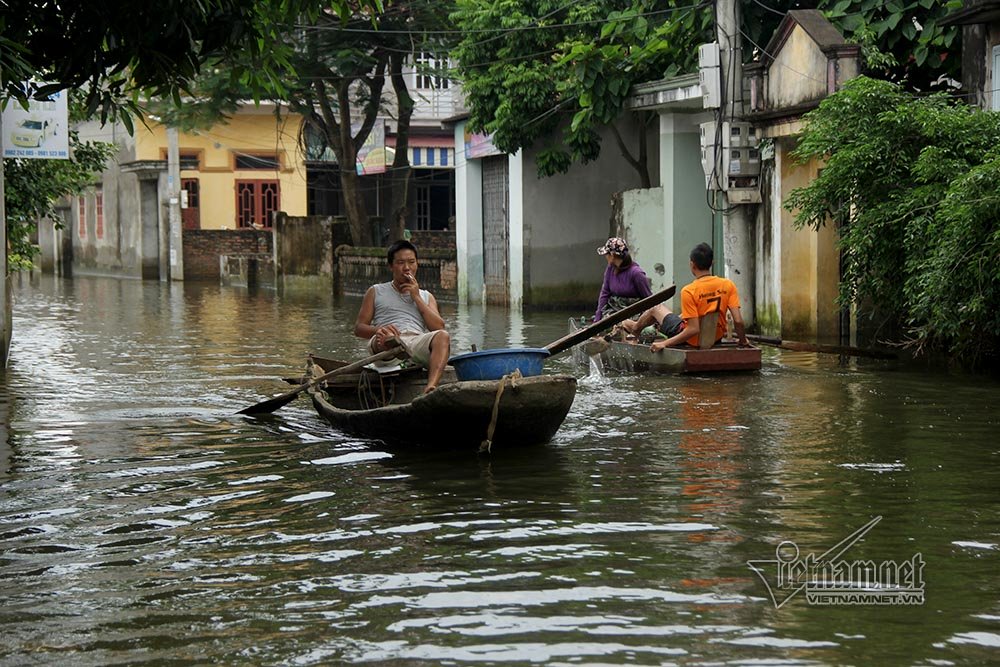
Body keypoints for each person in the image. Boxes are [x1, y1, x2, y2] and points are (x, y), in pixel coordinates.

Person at [354, 240, 451, 393]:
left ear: (417, 264)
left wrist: (416, 297)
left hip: (414, 343)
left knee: (443, 336)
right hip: (384, 341)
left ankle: (431, 387)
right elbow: (359, 328)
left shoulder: (426, 296)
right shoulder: (376, 291)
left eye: (411, 262)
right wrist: (380, 330)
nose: (407, 268)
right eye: (400, 263)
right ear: (391, 266)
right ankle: (391, 344)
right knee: (388, 337)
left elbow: (438, 327)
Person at [624, 242, 749, 351]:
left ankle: (634, 330)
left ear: (692, 264)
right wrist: (743, 341)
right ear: (712, 263)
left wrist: (664, 343)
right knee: (680, 316)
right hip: (716, 337)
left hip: (690, 339)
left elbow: (693, 329)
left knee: (656, 308)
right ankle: (635, 326)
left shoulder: (689, 290)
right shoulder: (728, 284)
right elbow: (738, 321)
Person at [593, 237, 652, 322]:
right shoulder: (610, 269)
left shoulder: (636, 273)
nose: (606, 257)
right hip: (614, 311)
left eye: (607, 254)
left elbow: (649, 300)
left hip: (634, 315)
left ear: (612, 255)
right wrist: (597, 317)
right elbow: (605, 293)